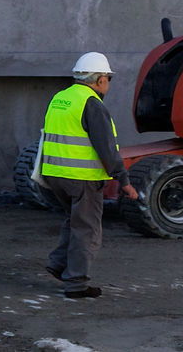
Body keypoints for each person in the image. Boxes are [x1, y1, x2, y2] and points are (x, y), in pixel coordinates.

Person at [37, 52, 138, 300]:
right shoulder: (92, 103)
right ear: (100, 79)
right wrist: (124, 181)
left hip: (54, 174)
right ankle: (76, 285)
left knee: (74, 222)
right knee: (87, 229)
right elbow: (106, 148)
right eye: (108, 79)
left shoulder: (61, 98)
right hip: (81, 177)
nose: (108, 84)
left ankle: (59, 264)